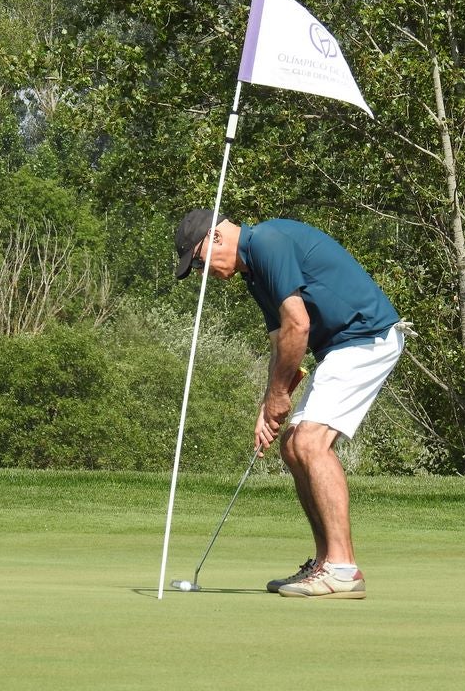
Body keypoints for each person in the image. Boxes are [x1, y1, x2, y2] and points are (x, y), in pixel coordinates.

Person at [174, 208, 409, 599]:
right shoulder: (254, 273)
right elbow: (282, 341)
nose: (202, 274)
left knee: (309, 443)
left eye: (198, 262)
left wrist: (280, 396)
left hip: (366, 337)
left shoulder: (266, 242)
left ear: (215, 237)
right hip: (340, 347)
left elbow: (298, 325)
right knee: (292, 446)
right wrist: (268, 405)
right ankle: (324, 563)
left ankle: (343, 569)